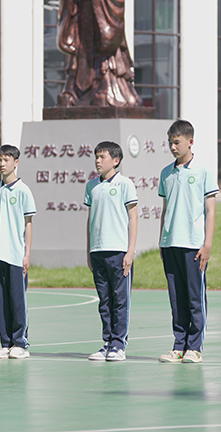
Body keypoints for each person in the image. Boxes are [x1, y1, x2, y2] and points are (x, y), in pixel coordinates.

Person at [157, 120, 218, 364]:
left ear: (190, 142)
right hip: (170, 244)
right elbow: (165, 210)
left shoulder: (203, 171)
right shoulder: (166, 173)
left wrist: (207, 245)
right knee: (176, 298)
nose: (173, 147)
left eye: (177, 142)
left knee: (195, 298)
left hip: (194, 245)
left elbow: (210, 211)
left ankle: (195, 347)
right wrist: (161, 241)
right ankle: (179, 346)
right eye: (170, 143)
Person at [84, 141, 138, 362]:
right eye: (96, 157)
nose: (98, 161)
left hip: (119, 251)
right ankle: (107, 342)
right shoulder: (91, 186)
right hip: (98, 251)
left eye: (102, 157)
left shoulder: (125, 184)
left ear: (116, 160)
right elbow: (90, 220)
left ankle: (119, 344)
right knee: (104, 300)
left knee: (120, 299)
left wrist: (130, 251)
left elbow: (133, 218)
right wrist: (89, 250)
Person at [0, 145, 36, 359]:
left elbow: (28, 224)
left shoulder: (23, 191)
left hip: (15, 255)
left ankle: (20, 343)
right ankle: (5, 343)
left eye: (6, 160)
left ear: (16, 162)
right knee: (0, 301)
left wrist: (27, 254)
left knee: (17, 300)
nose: (2, 164)